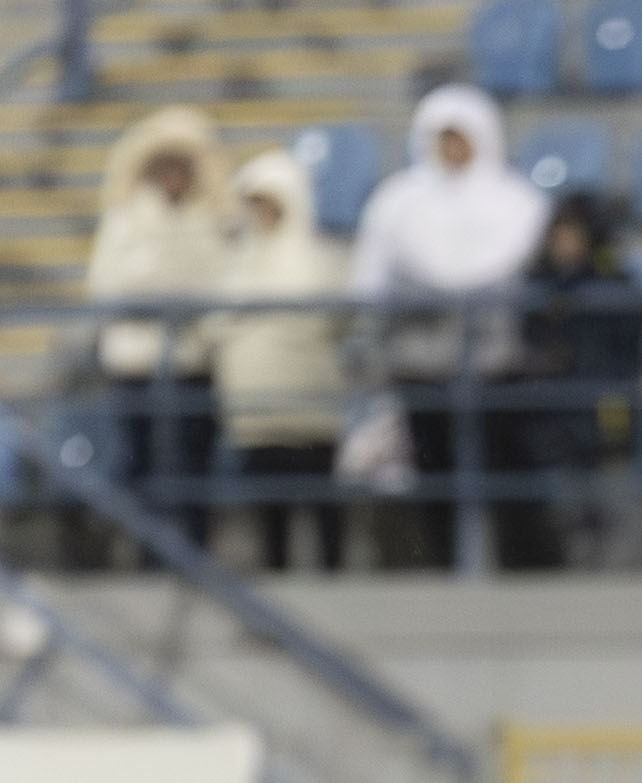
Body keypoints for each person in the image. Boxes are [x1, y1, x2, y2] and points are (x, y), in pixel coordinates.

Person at [349, 84, 549, 569]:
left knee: (506, 475)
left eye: (461, 138)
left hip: (496, 367)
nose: (452, 149)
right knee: (433, 477)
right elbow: (370, 281)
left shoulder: (519, 203)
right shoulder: (397, 202)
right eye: (443, 138)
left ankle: (519, 572)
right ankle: (443, 567)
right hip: (421, 368)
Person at [85, 105, 231, 551]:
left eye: (180, 166)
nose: (172, 176)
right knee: (142, 465)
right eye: (164, 166)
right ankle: (151, 556)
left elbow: (218, 288)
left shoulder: (208, 223)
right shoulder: (124, 220)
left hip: (192, 364)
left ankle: (195, 554)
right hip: (136, 365)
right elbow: (105, 286)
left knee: (193, 467)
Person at [211, 148, 350, 574]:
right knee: (271, 514)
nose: (260, 213)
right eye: (254, 203)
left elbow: (330, 318)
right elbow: (212, 323)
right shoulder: (235, 260)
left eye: (269, 202)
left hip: (310, 409)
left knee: (322, 503)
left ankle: (334, 580)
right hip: (254, 415)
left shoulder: (320, 259)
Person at [509, 194, 642, 571]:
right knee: (563, 517)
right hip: (552, 424)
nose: (563, 243)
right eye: (557, 233)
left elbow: (627, 346)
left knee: (617, 513)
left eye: (572, 233)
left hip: (606, 418)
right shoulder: (538, 288)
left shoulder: (616, 287)